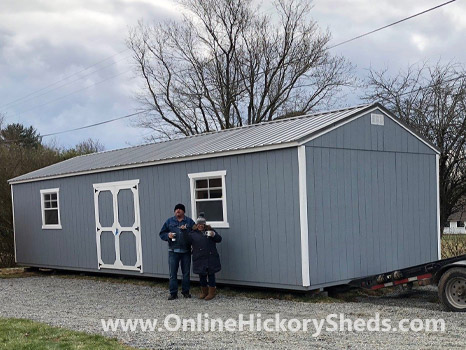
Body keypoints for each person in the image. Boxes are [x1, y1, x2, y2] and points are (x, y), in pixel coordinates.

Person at [159, 203, 195, 300]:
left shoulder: (189, 222)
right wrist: (168, 236)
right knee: (173, 273)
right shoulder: (169, 221)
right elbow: (162, 233)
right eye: (176, 209)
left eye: (180, 209)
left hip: (186, 251)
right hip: (173, 251)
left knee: (186, 273)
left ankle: (186, 292)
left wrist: (186, 231)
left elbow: (194, 234)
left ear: (184, 211)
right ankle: (173, 293)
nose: (177, 211)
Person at [186, 213, 222, 300]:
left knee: (211, 275)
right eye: (198, 224)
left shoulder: (210, 231)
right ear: (196, 224)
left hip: (210, 257)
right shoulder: (192, 233)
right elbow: (187, 242)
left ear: (204, 224)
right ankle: (204, 292)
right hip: (199, 257)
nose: (200, 226)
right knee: (201, 275)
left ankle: (211, 292)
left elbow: (219, 239)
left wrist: (214, 235)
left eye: (202, 224)